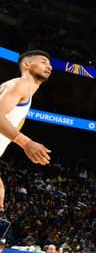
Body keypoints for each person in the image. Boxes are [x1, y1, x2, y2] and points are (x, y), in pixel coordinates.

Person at [0, 50, 53, 214]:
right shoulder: (21, 84)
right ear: (26, 65)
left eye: (49, 63)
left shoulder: (22, 90)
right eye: (43, 61)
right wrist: (26, 143)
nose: (49, 66)